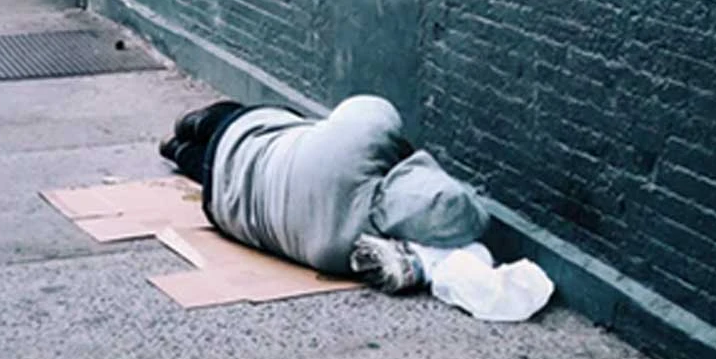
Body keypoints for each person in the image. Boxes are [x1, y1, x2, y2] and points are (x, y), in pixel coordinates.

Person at [158, 95, 493, 293]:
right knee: (212, 167)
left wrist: (399, 152)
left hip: (245, 135)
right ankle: (175, 150)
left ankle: (190, 125)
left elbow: (370, 106)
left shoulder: (361, 140)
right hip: (225, 207)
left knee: (225, 125)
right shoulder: (346, 254)